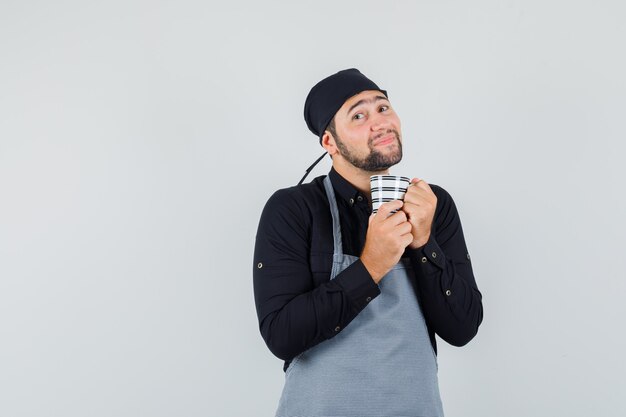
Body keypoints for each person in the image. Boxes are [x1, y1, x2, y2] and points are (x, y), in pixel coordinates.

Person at [253, 68, 483, 417]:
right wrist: (371, 265)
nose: (380, 122)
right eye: (358, 115)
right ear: (329, 142)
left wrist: (423, 242)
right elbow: (281, 335)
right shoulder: (294, 209)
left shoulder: (433, 205)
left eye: (383, 108)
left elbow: (462, 328)